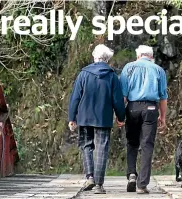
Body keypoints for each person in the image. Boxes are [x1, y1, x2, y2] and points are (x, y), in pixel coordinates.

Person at [68, 44, 126, 194]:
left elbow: (75, 97)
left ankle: (90, 177)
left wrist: (72, 117)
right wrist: (121, 117)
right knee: (101, 148)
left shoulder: (83, 74)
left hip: (85, 117)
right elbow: (118, 100)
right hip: (103, 118)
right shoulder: (112, 76)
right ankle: (99, 185)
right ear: (107, 59)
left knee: (86, 145)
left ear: (95, 57)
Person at [120, 45, 168, 194]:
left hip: (133, 107)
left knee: (132, 143)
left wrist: (120, 115)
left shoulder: (128, 68)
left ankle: (132, 174)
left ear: (138, 55)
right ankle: (142, 185)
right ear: (151, 56)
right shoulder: (158, 70)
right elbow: (163, 96)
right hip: (151, 108)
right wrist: (163, 116)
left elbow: (123, 96)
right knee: (147, 145)